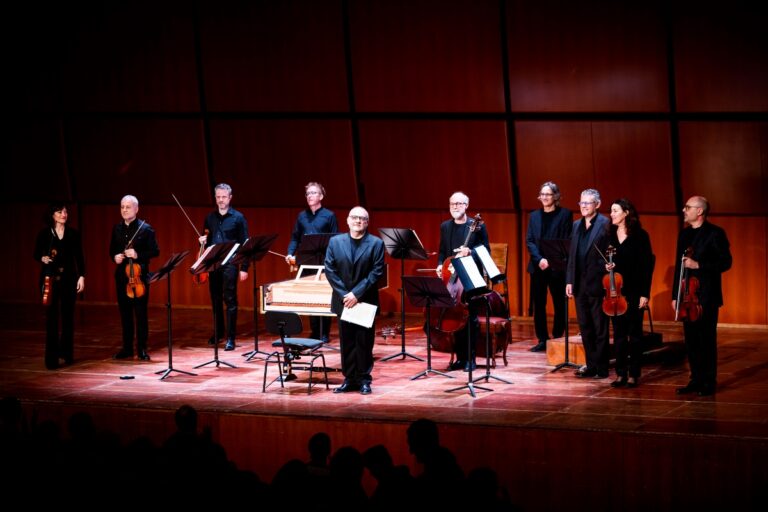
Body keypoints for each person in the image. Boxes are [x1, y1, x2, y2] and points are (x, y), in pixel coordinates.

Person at [672, 196, 732, 396]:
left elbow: (725, 262)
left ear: (700, 211)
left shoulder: (715, 234)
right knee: (691, 340)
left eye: (688, 207)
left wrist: (699, 265)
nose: (684, 210)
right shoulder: (684, 235)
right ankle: (695, 379)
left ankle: (708, 381)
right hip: (687, 297)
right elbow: (678, 267)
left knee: (706, 339)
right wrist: (675, 296)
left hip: (707, 296)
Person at [324, 206, 385, 395]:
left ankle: (364, 379)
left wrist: (356, 294)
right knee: (347, 341)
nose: (358, 221)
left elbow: (376, 272)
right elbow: (330, 269)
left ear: (367, 223)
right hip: (344, 301)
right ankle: (349, 379)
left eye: (362, 218)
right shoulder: (335, 242)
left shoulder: (376, 243)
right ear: (348, 220)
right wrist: (345, 295)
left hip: (364, 300)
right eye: (355, 217)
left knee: (364, 342)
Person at [436, 191, 490, 371]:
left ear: (466, 205)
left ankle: (471, 359)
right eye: (452, 204)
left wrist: (470, 252)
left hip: (470, 277)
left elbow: (486, 251)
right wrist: (439, 265)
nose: (455, 207)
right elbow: (443, 251)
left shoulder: (477, 226)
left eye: (459, 204)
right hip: (452, 278)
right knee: (454, 317)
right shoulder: (445, 226)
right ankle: (460, 358)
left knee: (470, 319)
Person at [605, 198, 654, 388]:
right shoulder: (609, 234)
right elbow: (606, 260)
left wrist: (645, 293)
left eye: (615, 210)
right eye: (611, 211)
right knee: (618, 334)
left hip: (634, 291)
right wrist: (607, 266)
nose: (612, 214)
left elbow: (646, 267)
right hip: (615, 292)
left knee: (634, 335)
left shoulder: (641, 236)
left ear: (626, 213)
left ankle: (634, 373)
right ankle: (620, 373)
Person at [33, 203, 86, 369]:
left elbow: (80, 257)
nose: (64, 214)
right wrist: (42, 258)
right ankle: (52, 359)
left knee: (68, 316)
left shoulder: (73, 234)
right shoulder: (45, 234)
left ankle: (67, 354)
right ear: (52, 215)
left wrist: (82, 276)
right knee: (52, 319)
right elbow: (36, 253)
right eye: (59, 211)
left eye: (65, 211)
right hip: (50, 279)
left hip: (69, 278)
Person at [565, 188, 611, 379]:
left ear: (597, 205)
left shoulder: (605, 224)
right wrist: (569, 280)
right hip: (579, 283)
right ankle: (591, 365)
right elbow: (572, 256)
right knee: (585, 326)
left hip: (597, 283)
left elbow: (609, 253)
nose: (583, 206)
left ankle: (602, 367)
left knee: (600, 326)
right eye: (581, 203)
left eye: (588, 203)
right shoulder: (576, 225)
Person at [199, 183, 249, 351]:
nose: (221, 200)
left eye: (224, 197)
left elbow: (245, 244)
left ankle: (231, 337)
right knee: (215, 300)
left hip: (230, 264)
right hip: (214, 264)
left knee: (230, 300)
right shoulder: (210, 218)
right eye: (218, 197)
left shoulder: (238, 218)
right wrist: (201, 242)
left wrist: (244, 268)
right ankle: (218, 332)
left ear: (230, 197)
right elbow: (205, 240)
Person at [286, 182, 338, 342]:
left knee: (323, 296)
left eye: (313, 193)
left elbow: (335, 238)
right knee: (309, 295)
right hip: (306, 260)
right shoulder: (302, 216)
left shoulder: (329, 215)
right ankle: (315, 331)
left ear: (321, 196)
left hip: (323, 261)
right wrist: (290, 253)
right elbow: (295, 237)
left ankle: (324, 333)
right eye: (308, 193)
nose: (310, 196)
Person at [109, 195, 159, 361]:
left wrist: (138, 254)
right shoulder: (116, 228)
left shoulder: (146, 229)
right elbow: (112, 251)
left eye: (128, 207)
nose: (124, 210)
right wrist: (115, 257)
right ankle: (127, 348)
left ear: (136, 209)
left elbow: (155, 251)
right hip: (122, 277)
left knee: (140, 314)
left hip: (139, 277)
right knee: (125, 314)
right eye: (122, 207)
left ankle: (142, 349)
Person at [525, 181, 573, 352]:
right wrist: (539, 259)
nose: (544, 197)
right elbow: (529, 240)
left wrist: (551, 260)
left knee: (560, 303)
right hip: (538, 266)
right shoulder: (534, 216)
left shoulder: (565, 214)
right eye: (542, 194)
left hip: (557, 266)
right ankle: (543, 339)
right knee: (539, 304)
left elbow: (567, 240)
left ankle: (558, 337)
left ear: (556, 196)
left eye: (548, 194)